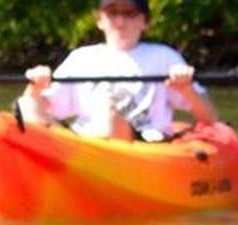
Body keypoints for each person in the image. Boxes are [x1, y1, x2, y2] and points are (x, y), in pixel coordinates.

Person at [18, 0, 218, 142]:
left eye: (129, 13)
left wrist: (186, 89)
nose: (121, 22)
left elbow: (209, 118)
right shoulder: (81, 58)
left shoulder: (164, 57)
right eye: (112, 13)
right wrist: (35, 87)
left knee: (109, 112)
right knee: (25, 104)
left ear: (144, 21)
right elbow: (43, 107)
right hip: (82, 142)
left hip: (142, 142)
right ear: (100, 20)